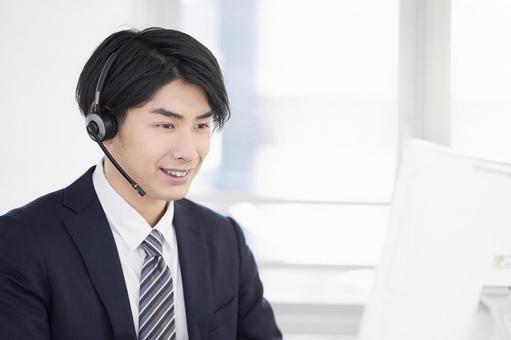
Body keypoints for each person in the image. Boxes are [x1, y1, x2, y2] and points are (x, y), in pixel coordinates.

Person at [0, 27, 282, 340]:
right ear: (102, 125)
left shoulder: (223, 240)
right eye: (166, 124)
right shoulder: (22, 243)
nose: (188, 152)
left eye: (201, 125)